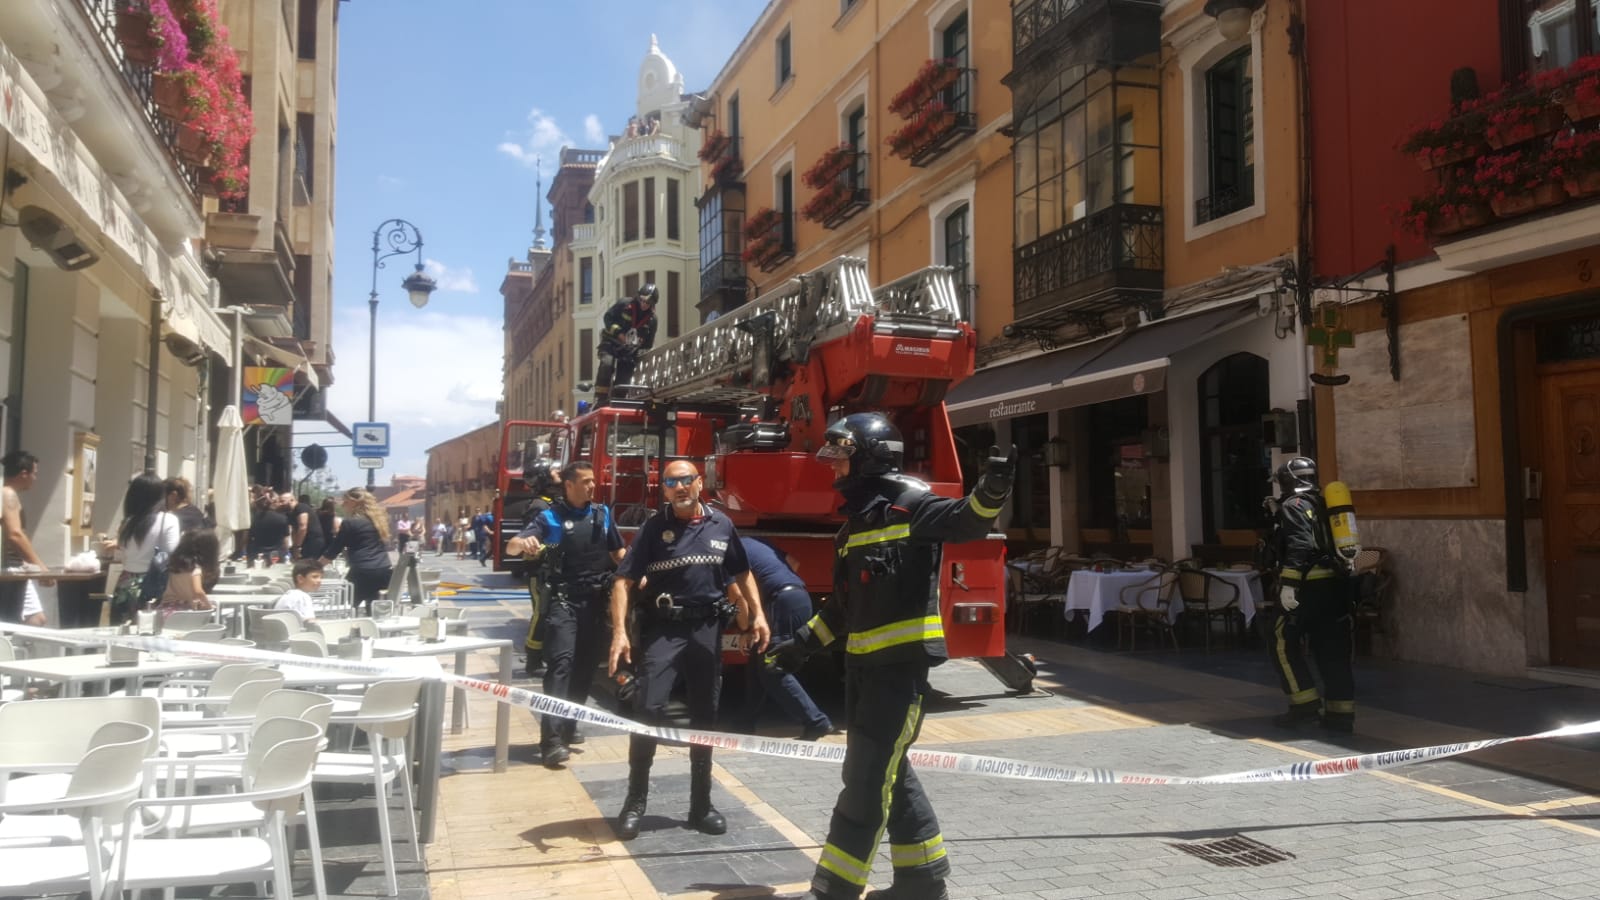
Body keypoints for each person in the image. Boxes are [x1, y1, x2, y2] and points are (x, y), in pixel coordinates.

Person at [765, 412, 1016, 900]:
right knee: (890, 774)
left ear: (869, 460)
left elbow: (968, 519)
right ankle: (922, 882)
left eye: (840, 459)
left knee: (865, 782)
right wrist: (797, 649)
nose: (833, 470)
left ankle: (833, 888)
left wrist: (994, 488)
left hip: (899, 676)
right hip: (860, 675)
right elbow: (840, 609)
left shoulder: (913, 507)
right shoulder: (852, 529)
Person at [608, 460, 770, 840]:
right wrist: (619, 632)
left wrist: (758, 615)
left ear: (700, 483)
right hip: (664, 630)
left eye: (686, 480)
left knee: (705, 716)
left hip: (706, 630)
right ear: (663, 489)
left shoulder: (721, 524)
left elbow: (741, 573)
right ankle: (635, 803)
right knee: (648, 709)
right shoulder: (653, 528)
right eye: (671, 482)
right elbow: (622, 581)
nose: (679, 487)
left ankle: (701, 807)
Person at [510, 460, 625, 767]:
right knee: (561, 665)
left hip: (595, 602)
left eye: (593, 481)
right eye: (586, 481)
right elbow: (512, 545)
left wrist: (638, 572)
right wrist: (523, 543)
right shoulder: (550, 516)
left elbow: (618, 553)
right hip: (563, 602)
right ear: (570, 485)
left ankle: (570, 725)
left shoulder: (602, 514)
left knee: (585, 669)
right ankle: (550, 741)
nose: (592, 485)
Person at [1268, 456, 1358, 733]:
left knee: (1281, 643)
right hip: (1336, 590)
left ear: (1288, 481)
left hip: (1306, 590)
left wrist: (1289, 585)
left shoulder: (1294, 505)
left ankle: (1303, 705)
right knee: (1333, 652)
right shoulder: (1325, 505)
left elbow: (1300, 546)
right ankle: (1340, 716)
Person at [736, 536, 832, 740]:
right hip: (799, 597)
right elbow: (794, 563)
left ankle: (816, 721)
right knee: (758, 660)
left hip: (781, 602)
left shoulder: (729, 550)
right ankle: (745, 722)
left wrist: (745, 628)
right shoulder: (756, 542)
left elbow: (739, 595)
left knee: (772, 666)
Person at [510, 457, 562, 677]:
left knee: (549, 613)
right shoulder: (540, 506)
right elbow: (531, 541)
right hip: (540, 570)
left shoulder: (552, 501)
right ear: (543, 478)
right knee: (541, 613)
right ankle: (532, 660)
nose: (559, 472)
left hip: (553, 568)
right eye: (554, 471)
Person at [106, 473, 181, 624]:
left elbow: (123, 553)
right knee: (151, 633)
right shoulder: (169, 520)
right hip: (154, 583)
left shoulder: (127, 523)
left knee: (122, 632)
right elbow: (171, 552)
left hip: (125, 584)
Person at [319, 488, 393, 615]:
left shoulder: (350, 523)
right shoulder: (378, 520)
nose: (342, 505)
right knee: (375, 609)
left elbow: (334, 550)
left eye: (345, 502)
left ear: (355, 502)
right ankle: (372, 631)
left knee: (342, 606)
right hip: (384, 568)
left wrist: (315, 566)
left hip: (362, 570)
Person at [0, 451, 51, 623]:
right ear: (23, 473)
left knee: (35, 619)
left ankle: (16, 648)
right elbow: (15, 534)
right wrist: (41, 568)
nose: (35, 478)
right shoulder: (8, 494)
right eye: (34, 473)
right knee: (20, 621)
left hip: (14, 567)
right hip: (9, 569)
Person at [594, 283, 659, 406]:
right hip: (611, 343)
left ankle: (618, 401)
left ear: (653, 303)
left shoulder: (652, 320)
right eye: (642, 300)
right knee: (606, 365)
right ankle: (600, 399)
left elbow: (648, 344)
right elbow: (608, 318)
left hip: (629, 352)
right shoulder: (624, 304)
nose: (644, 304)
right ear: (638, 297)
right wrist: (619, 334)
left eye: (648, 302)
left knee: (624, 379)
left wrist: (639, 346)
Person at [157, 529, 218, 615]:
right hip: (183, 612)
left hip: (166, 609)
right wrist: (208, 606)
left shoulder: (175, 565)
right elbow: (198, 591)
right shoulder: (196, 569)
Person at [273, 558, 324, 625]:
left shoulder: (288, 595)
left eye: (321, 577)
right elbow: (311, 623)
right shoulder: (303, 597)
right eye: (315, 577)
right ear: (300, 579)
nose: (319, 580)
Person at [247, 492, 289, 560]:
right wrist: (287, 553)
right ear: (274, 502)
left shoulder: (254, 518)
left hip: (258, 555)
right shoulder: (282, 518)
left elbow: (249, 537)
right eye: (278, 501)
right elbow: (285, 540)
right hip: (277, 555)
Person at [291, 493, 326, 561]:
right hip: (309, 541)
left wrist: (297, 546)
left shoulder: (301, 507)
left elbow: (302, 527)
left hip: (312, 541)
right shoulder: (293, 511)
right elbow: (294, 530)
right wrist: (295, 546)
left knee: (308, 564)